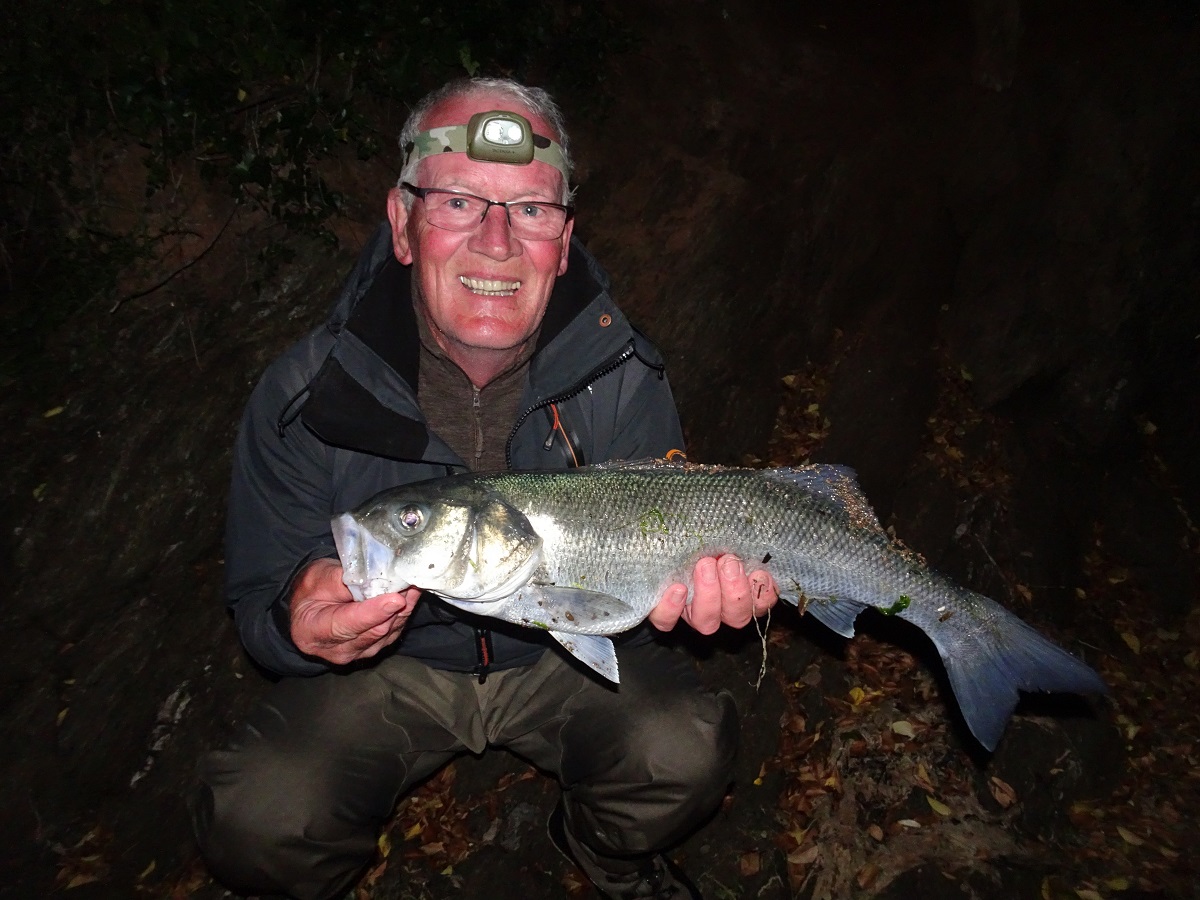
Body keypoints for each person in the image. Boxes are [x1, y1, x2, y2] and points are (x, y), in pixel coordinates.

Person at [193, 76, 778, 900]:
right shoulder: (305, 396)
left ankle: (604, 850)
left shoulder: (620, 373)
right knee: (260, 816)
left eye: (530, 210)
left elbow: (654, 568)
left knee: (682, 750)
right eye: (460, 202)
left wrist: (698, 590)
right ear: (403, 223)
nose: (496, 243)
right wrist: (298, 618)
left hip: (559, 659)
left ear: (563, 242)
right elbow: (258, 594)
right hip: (390, 669)